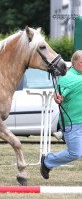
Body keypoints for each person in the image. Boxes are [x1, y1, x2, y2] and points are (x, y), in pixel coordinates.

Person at [40, 50, 82, 179]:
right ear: (74, 62)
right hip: (73, 123)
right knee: (75, 153)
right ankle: (47, 161)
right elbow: (58, 95)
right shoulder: (68, 78)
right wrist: (58, 98)